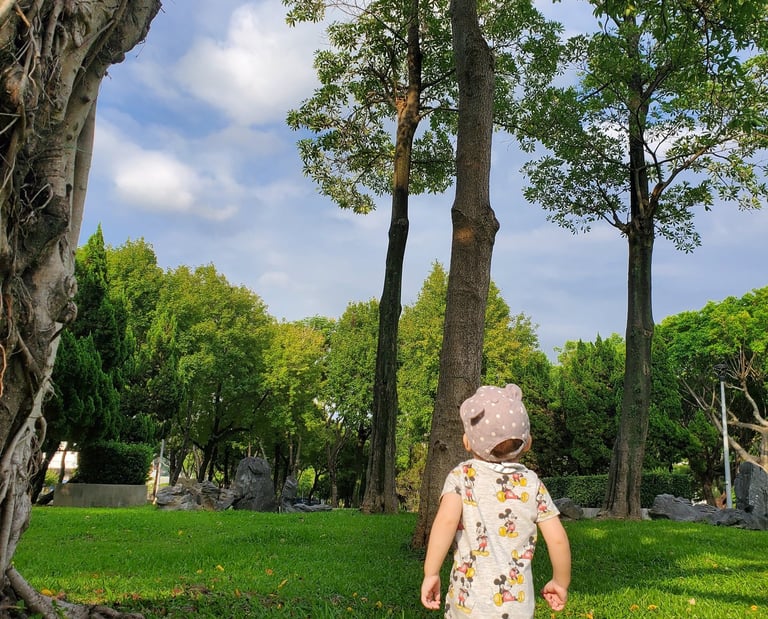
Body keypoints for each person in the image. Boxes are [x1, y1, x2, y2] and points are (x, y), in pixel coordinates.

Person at [421, 384, 571, 617]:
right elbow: (558, 539)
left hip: (468, 605)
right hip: (516, 610)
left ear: (467, 442)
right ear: (527, 442)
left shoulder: (461, 477)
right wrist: (560, 582)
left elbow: (445, 524)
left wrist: (431, 572)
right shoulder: (532, 484)